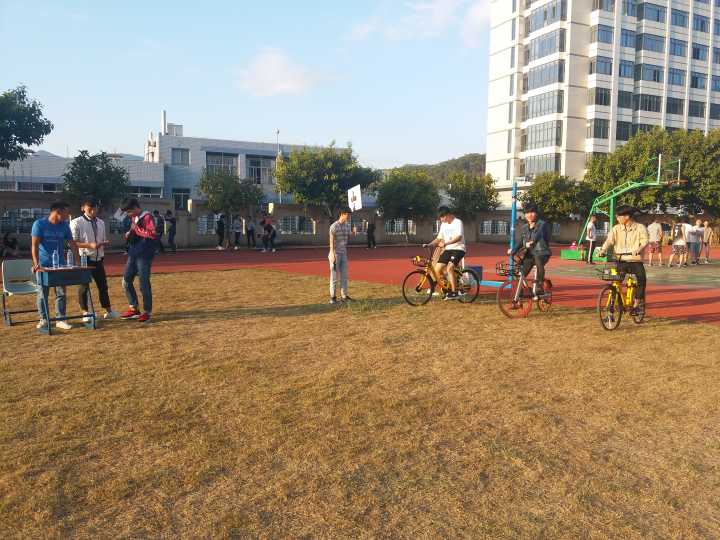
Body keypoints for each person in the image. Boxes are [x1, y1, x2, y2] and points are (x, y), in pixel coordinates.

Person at [30, 201, 79, 330]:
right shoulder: (39, 224)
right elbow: (34, 246)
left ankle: (60, 319)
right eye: (66, 213)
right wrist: (36, 264)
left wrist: (77, 261)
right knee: (43, 294)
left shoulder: (65, 225)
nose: (68, 215)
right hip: (44, 266)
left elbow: (72, 244)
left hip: (60, 265)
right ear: (58, 212)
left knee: (61, 293)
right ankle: (44, 319)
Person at [70, 197, 119, 322]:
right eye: (90, 207)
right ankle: (85, 313)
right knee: (84, 286)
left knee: (103, 286)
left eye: (95, 208)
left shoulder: (101, 222)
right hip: (84, 258)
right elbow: (73, 243)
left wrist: (104, 243)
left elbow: (102, 239)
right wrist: (89, 245)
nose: (93, 210)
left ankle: (108, 311)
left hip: (98, 259)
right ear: (83, 208)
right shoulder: (76, 222)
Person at [598, 205, 649, 314]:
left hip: (635, 260)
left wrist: (639, 249)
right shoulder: (616, 228)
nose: (617, 218)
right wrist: (602, 250)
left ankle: (636, 305)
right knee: (615, 281)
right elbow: (609, 240)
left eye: (618, 216)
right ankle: (616, 301)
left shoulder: (640, 227)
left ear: (627, 216)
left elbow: (644, 241)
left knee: (642, 280)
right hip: (620, 260)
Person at [120, 198, 157, 323]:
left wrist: (137, 230)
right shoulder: (134, 218)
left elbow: (152, 234)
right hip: (133, 253)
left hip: (144, 255)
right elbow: (134, 230)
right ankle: (133, 308)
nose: (128, 214)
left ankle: (147, 311)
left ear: (136, 207)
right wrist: (130, 233)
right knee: (126, 281)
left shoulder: (147, 217)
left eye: (129, 211)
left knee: (143, 283)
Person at [508, 203, 552, 298]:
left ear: (536, 213)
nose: (529, 215)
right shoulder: (524, 227)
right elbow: (520, 241)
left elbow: (538, 234)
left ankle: (539, 285)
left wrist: (532, 242)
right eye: (527, 213)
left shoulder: (542, 224)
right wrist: (513, 251)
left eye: (532, 212)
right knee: (521, 271)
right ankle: (519, 290)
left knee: (538, 260)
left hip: (542, 252)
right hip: (530, 254)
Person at [426, 207, 466, 300]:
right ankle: (447, 288)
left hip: (458, 249)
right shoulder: (443, 225)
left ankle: (454, 292)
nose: (441, 220)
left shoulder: (458, 222)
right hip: (448, 250)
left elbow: (459, 237)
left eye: (442, 217)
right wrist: (429, 244)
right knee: (437, 270)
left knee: (449, 268)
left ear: (447, 215)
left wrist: (446, 243)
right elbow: (438, 238)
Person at [329, 207, 353, 304]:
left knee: (344, 276)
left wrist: (353, 232)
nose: (349, 216)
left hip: (344, 253)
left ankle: (344, 296)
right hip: (335, 254)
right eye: (348, 214)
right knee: (334, 277)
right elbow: (331, 240)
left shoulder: (347, 226)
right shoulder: (334, 226)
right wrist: (332, 253)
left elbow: (348, 238)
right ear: (343, 214)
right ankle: (333, 298)